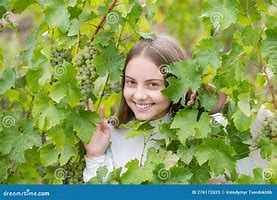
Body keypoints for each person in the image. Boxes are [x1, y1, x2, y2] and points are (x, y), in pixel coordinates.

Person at [82, 34, 228, 183]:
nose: (139, 95)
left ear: (177, 85)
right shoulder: (112, 136)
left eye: (153, 84)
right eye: (131, 82)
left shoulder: (206, 130)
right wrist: (95, 156)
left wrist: (219, 101)